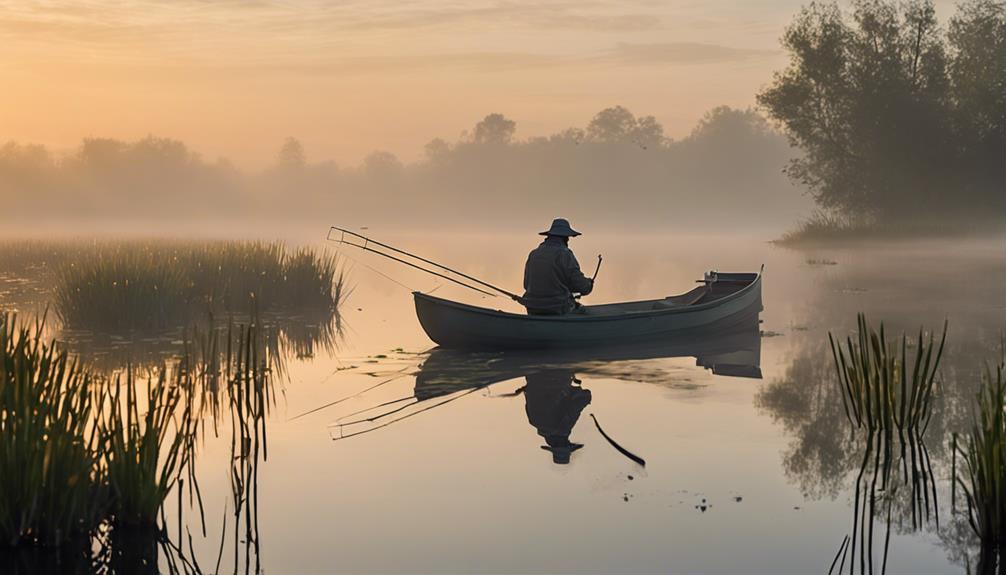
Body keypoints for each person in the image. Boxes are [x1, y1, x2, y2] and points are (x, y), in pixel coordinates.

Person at [521, 218, 593, 315]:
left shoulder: (534, 254)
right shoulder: (565, 254)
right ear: (565, 238)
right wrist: (589, 283)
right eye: (567, 238)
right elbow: (582, 287)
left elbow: (526, 284)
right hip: (557, 308)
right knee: (584, 312)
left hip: (532, 308)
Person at [523, 369, 592, 465]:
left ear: (565, 444)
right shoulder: (533, 422)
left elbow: (577, 405)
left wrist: (587, 397)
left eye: (568, 443)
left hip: (557, 377)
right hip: (532, 377)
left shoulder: (563, 428)